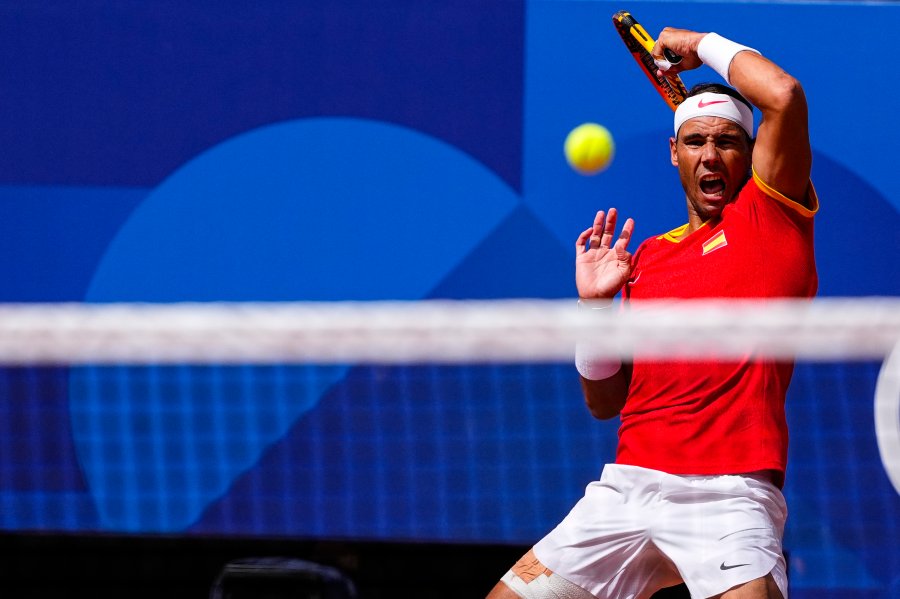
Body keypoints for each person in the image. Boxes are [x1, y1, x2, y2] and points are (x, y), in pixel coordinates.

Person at [487, 24, 818, 599]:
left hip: (729, 494)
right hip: (627, 490)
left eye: (727, 141)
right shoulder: (645, 259)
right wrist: (595, 310)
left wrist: (702, 43)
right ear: (674, 152)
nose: (710, 155)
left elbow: (783, 94)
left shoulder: (771, 219)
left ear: (750, 154)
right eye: (695, 142)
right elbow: (605, 403)